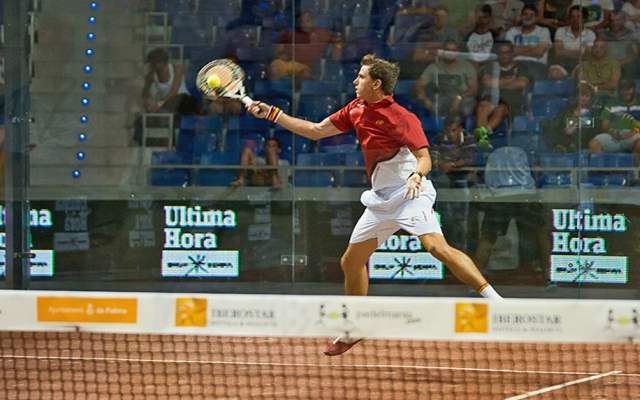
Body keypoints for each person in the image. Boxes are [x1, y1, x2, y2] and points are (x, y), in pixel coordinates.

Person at [244, 54, 504, 357]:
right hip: (380, 201)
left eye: (361, 77)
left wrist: (417, 177)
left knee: (436, 247)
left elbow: (425, 158)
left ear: (376, 83)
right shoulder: (356, 109)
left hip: (410, 194)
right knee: (350, 262)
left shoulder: (402, 117)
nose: (355, 81)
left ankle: (498, 304)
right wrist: (272, 114)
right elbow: (316, 131)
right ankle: (355, 327)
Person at [134, 48, 199, 145]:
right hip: (168, 105)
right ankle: (146, 142)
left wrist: (159, 105)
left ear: (161, 62)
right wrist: (146, 103)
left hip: (184, 102)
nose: (152, 66)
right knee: (140, 120)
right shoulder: (151, 75)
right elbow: (145, 93)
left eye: (153, 63)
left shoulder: (176, 68)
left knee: (175, 102)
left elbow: (174, 91)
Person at [474, 41, 531, 149]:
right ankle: (483, 139)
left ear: (512, 53)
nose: (504, 55)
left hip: (510, 102)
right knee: (482, 107)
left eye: (507, 52)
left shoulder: (521, 67)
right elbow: (487, 82)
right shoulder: (491, 66)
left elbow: (522, 83)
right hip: (492, 99)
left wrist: (497, 83)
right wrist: (510, 82)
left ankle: (482, 136)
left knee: (501, 109)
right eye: (501, 53)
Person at [266, 10, 343, 82]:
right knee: (274, 69)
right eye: (302, 22)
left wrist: (338, 48)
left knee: (306, 74)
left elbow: (338, 40)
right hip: (286, 63)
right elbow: (278, 48)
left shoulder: (321, 33)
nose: (305, 24)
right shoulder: (290, 33)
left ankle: (297, 95)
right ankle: (276, 95)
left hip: (303, 66)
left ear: (312, 21)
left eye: (307, 21)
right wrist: (279, 55)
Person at [414, 39, 479, 118]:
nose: (450, 53)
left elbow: (473, 89)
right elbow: (419, 85)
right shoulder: (434, 67)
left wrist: (459, 97)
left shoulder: (466, 66)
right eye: (447, 50)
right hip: (443, 99)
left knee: (465, 110)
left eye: (453, 50)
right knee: (434, 108)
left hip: (464, 99)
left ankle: (461, 129)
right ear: (443, 51)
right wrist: (425, 99)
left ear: (457, 52)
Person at [541, 81, 603, 152]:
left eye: (587, 96)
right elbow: (556, 121)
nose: (584, 98)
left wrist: (575, 126)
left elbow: (593, 124)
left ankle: (571, 146)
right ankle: (560, 146)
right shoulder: (568, 109)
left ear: (591, 98)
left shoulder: (593, 111)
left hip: (582, 137)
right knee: (545, 123)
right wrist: (565, 128)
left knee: (580, 131)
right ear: (577, 96)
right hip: (564, 134)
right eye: (582, 95)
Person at [588, 79, 640, 163]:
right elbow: (605, 126)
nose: (625, 92)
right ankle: (605, 172)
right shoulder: (611, 105)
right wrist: (612, 131)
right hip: (614, 136)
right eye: (623, 89)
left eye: (628, 89)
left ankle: (633, 173)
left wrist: (635, 131)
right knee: (594, 144)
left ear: (634, 89)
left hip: (634, 135)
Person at [504, 4, 553, 81]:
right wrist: (532, 47)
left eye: (532, 15)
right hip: (515, 64)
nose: (528, 17)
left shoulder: (543, 31)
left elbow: (539, 51)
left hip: (536, 65)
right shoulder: (512, 31)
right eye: (525, 14)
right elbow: (507, 52)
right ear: (521, 16)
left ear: (536, 18)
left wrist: (516, 50)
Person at [548, 5, 596, 80]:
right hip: (561, 62)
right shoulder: (561, 31)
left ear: (584, 19)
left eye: (578, 17)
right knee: (555, 73)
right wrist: (580, 53)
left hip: (581, 64)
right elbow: (558, 52)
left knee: (582, 75)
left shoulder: (590, 34)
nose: (575, 19)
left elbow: (588, 56)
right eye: (572, 17)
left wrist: (566, 52)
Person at [573, 36, 621, 103]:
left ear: (606, 49)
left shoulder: (614, 64)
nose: (598, 50)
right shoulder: (584, 65)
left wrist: (595, 87)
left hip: (609, 99)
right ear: (592, 48)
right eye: (596, 47)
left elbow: (613, 84)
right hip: (588, 100)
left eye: (601, 47)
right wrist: (603, 80)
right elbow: (583, 84)